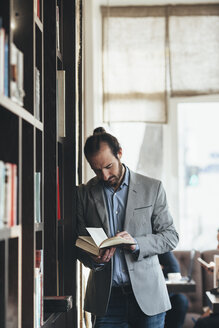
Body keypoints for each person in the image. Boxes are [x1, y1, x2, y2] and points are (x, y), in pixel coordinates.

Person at [76, 127, 179, 328]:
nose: (104, 176)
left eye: (108, 166)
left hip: (148, 298)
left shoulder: (152, 188)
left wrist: (137, 243)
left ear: (120, 153)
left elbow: (171, 236)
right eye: (97, 169)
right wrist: (93, 259)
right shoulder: (84, 194)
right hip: (106, 301)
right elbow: (79, 242)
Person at [158, 252, 188, 328]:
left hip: (164, 294)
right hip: (142, 295)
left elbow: (174, 269)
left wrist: (156, 269)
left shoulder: (159, 245)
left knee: (181, 300)